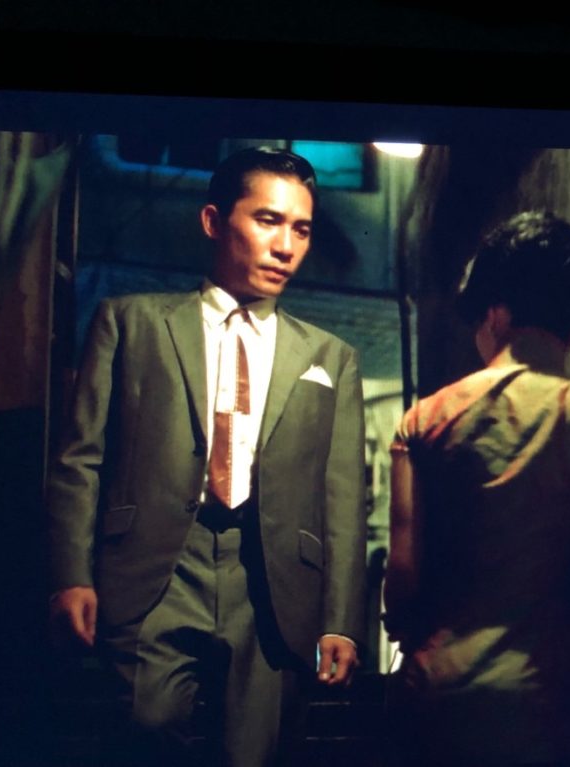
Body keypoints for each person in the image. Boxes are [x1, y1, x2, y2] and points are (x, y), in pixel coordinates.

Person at [47, 147, 367, 766]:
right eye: (268, 220)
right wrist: (70, 571)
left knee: (258, 752)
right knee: (144, 724)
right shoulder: (130, 323)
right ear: (214, 221)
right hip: (156, 565)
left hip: (274, 583)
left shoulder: (331, 356)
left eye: (301, 229)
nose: (287, 246)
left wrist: (343, 619)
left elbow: (344, 495)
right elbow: (79, 458)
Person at [383, 210, 570, 766]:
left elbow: (402, 575)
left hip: (436, 697)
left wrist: (408, 628)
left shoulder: (422, 421)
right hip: (545, 701)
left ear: (496, 315)